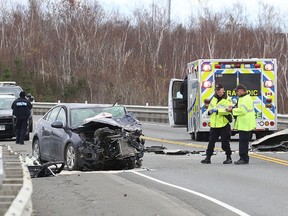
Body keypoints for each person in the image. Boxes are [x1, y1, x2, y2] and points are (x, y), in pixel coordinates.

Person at [201, 84, 233, 164]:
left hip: (223, 124)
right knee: (211, 142)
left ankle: (228, 157)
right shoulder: (214, 99)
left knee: (225, 143)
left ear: (223, 89)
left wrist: (218, 111)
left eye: (219, 90)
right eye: (217, 90)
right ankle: (208, 158)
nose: (218, 92)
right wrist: (209, 111)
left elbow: (228, 111)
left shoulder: (227, 99)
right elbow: (210, 108)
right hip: (214, 125)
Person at [227, 84, 256, 165]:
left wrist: (232, 110)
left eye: (237, 91)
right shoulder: (242, 98)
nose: (236, 92)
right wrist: (233, 108)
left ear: (242, 90)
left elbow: (242, 110)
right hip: (244, 123)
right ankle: (243, 158)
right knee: (243, 142)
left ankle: (243, 158)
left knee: (243, 142)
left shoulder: (246, 99)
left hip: (245, 124)